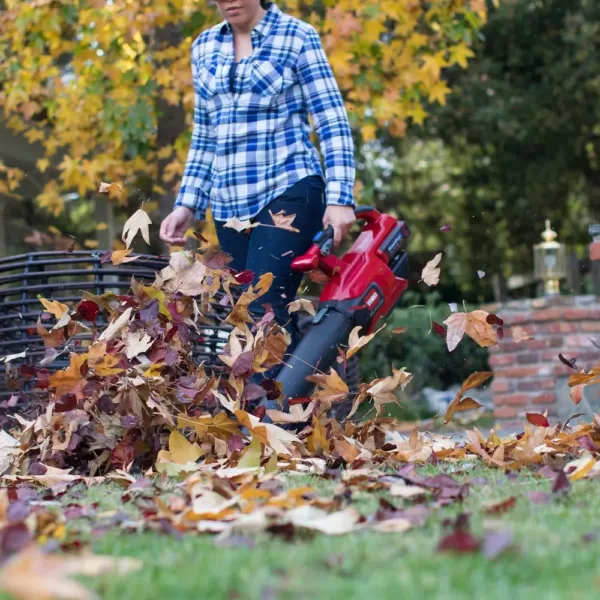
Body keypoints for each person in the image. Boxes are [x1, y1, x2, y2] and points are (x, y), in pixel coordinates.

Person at [160, 0, 357, 350]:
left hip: (289, 186)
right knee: (254, 315)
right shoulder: (204, 46)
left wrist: (341, 197)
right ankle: (298, 399)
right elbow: (205, 134)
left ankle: (262, 406)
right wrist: (187, 204)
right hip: (228, 207)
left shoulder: (297, 36)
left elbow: (331, 120)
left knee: (260, 308)